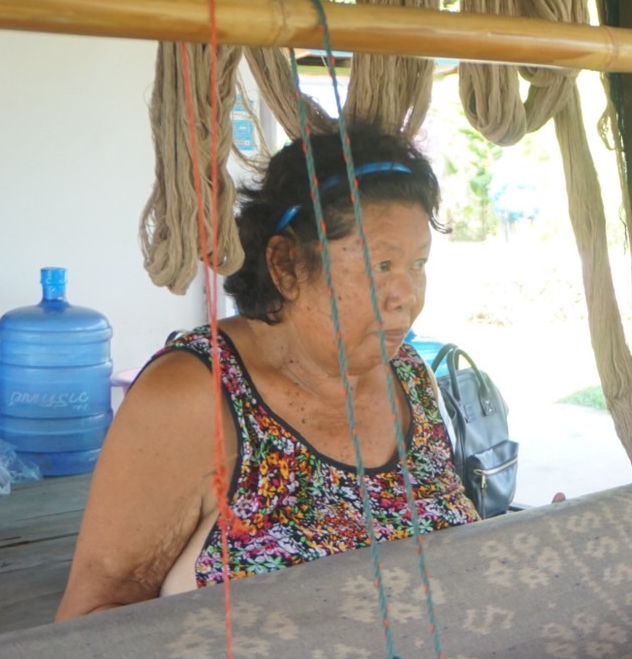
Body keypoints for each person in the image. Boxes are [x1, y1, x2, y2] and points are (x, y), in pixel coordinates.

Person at [55, 126, 478, 618]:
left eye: (418, 264)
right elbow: (92, 621)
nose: (406, 295)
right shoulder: (196, 395)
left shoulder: (409, 377)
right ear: (285, 265)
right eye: (381, 265)